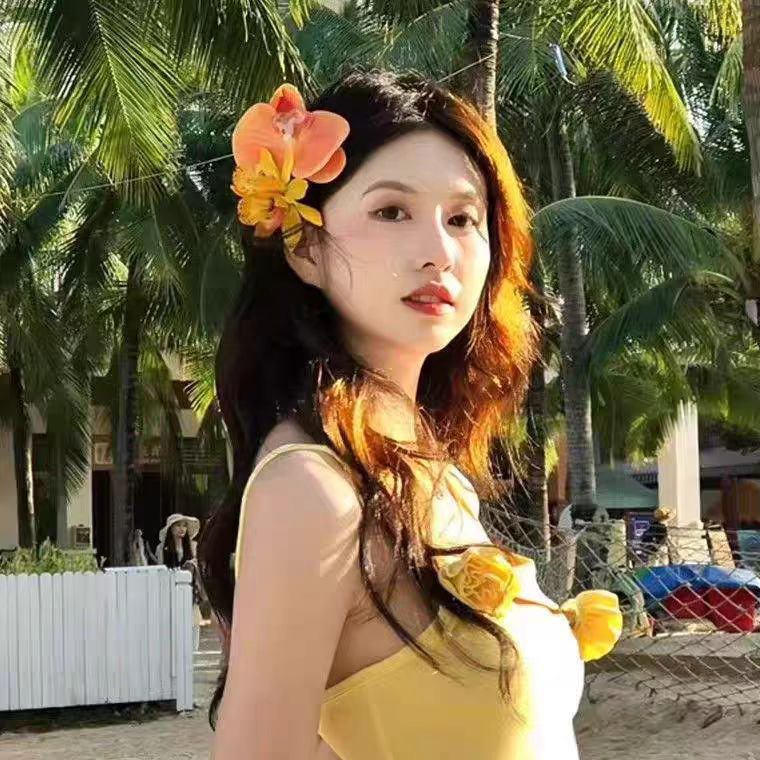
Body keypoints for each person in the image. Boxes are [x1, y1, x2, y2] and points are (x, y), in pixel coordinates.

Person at [199, 71, 622, 760]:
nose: (439, 252)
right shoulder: (313, 488)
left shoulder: (428, 469)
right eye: (392, 211)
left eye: (463, 219)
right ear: (304, 249)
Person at [158, 513, 203, 651]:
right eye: (178, 525)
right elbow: (160, 569)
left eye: (184, 526)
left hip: (190, 590)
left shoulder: (193, 546)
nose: (182, 529)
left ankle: (191, 650)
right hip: (170, 591)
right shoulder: (162, 548)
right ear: (171, 528)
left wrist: (192, 565)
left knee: (193, 622)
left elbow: (199, 568)